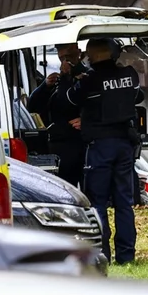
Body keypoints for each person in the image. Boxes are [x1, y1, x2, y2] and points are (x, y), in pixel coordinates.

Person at [66, 38, 143, 265]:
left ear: (92, 56)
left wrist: (73, 74)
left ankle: (102, 254)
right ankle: (126, 255)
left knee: (97, 201)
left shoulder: (91, 80)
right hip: (124, 145)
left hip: (100, 145)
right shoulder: (130, 74)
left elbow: (71, 98)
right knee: (124, 202)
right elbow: (137, 97)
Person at [28, 43, 86, 187]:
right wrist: (45, 86)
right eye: (62, 58)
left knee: (89, 187)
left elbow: (93, 102)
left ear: (78, 53)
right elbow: (33, 105)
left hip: (82, 141)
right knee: (64, 186)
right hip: (59, 142)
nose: (66, 62)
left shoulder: (87, 76)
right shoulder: (57, 80)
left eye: (69, 57)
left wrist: (88, 119)